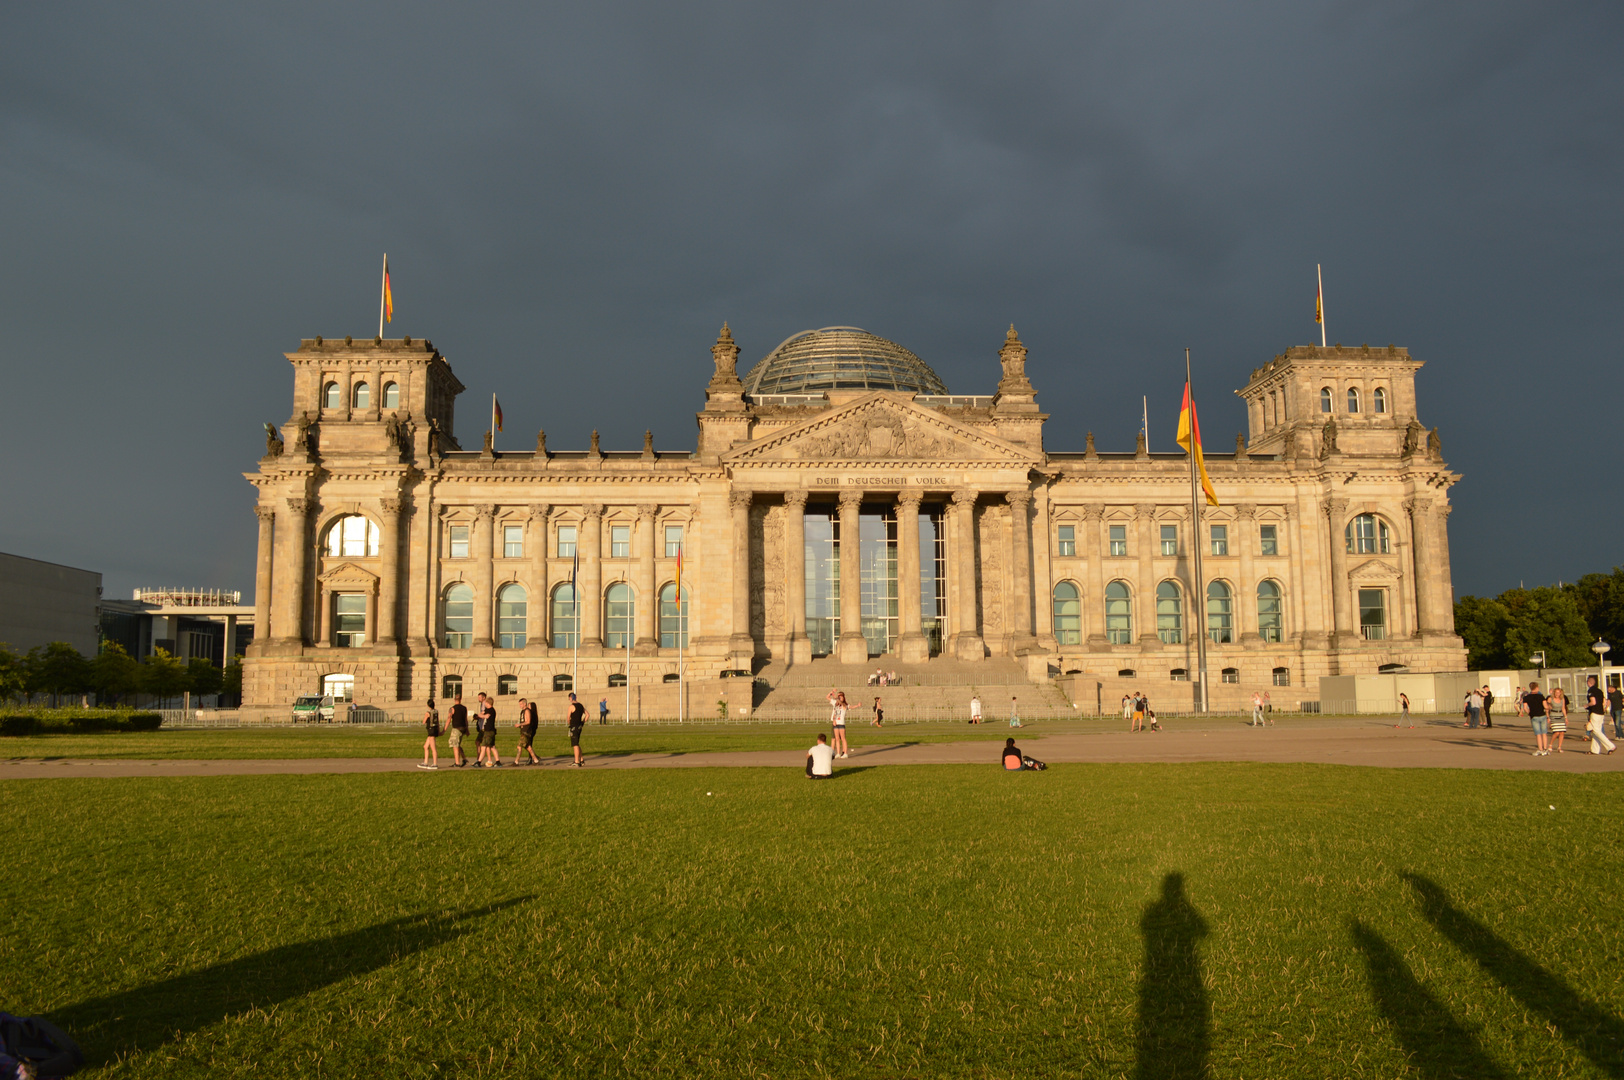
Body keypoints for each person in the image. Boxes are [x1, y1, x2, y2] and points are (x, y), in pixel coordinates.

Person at [1584, 675, 1616, 755]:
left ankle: (1611, 746)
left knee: (1596, 731)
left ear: (1588, 683)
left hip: (1595, 713)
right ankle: (1595, 750)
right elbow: (1604, 702)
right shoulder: (1599, 691)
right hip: (1601, 713)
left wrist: (1587, 705)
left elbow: (1593, 702)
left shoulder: (1591, 691)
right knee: (1595, 731)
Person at [1521, 681, 1550, 757]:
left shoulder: (1526, 697)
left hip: (1534, 716)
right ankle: (1545, 749)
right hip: (1542, 715)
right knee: (1544, 733)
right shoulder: (1541, 696)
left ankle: (1540, 749)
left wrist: (1529, 713)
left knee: (1538, 734)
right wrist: (1549, 707)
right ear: (1537, 688)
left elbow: (1525, 708)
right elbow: (1545, 706)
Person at [475, 691, 501, 767]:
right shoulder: (487, 710)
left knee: (483, 747)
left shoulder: (491, 710)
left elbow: (486, 716)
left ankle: (479, 762)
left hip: (489, 731)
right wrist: (479, 715)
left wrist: (482, 716)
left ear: (488, 703)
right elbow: (481, 714)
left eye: (486, 703)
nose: (484, 704)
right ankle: (498, 761)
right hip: (489, 730)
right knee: (492, 747)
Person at [514, 696, 541, 765]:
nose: (520, 706)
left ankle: (516, 762)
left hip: (526, 732)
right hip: (523, 731)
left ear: (524, 704)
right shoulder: (522, 711)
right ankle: (536, 760)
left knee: (519, 746)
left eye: (521, 704)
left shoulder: (527, 711)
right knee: (528, 747)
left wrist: (520, 724)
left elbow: (528, 721)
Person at [447, 693, 470, 767]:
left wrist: (444, 730)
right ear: (460, 699)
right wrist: (467, 729)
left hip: (456, 729)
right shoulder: (464, 708)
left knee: (455, 745)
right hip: (463, 728)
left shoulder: (452, 709)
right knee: (458, 744)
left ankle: (457, 763)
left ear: (454, 699)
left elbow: (449, 719)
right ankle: (464, 758)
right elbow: (466, 720)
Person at [418, 698, 440, 769]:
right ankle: (426, 762)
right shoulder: (436, 711)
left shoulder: (428, 713)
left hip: (431, 730)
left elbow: (424, 721)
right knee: (425, 746)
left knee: (433, 748)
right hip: (434, 729)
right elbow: (437, 722)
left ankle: (435, 763)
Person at [567, 692, 587, 766]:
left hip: (574, 727)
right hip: (579, 727)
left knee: (575, 744)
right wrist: (582, 722)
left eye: (569, 698)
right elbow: (587, 715)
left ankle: (576, 761)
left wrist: (570, 724)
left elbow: (568, 718)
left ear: (571, 698)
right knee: (577, 743)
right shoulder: (581, 706)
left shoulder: (571, 706)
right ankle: (581, 760)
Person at [1548, 686, 1569, 752]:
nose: (1557, 694)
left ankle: (1559, 747)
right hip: (1553, 716)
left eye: (1558, 693)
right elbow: (1547, 709)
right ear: (1554, 693)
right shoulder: (1550, 699)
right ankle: (1550, 745)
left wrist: (1566, 717)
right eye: (1556, 692)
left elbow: (1563, 708)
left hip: (1561, 716)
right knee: (1556, 732)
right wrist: (1548, 717)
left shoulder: (1562, 699)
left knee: (1562, 732)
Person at [831, 690, 851, 758]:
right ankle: (838, 753)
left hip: (841, 723)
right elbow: (835, 714)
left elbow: (843, 704)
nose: (839, 698)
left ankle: (845, 753)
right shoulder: (837, 706)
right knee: (837, 738)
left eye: (841, 697)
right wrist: (834, 720)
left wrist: (837, 698)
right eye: (839, 697)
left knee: (843, 738)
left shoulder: (844, 705)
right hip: (836, 723)